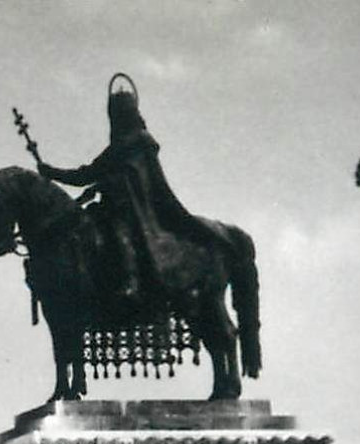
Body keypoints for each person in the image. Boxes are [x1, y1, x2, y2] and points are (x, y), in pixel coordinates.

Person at [36, 74, 227, 307]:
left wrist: (107, 182)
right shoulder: (115, 148)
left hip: (134, 208)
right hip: (109, 205)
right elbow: (86, 174)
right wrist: (51, 172)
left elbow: (134, 177)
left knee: (120, 231)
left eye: (121, 113)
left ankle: (132, 281)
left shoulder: (140, 141)